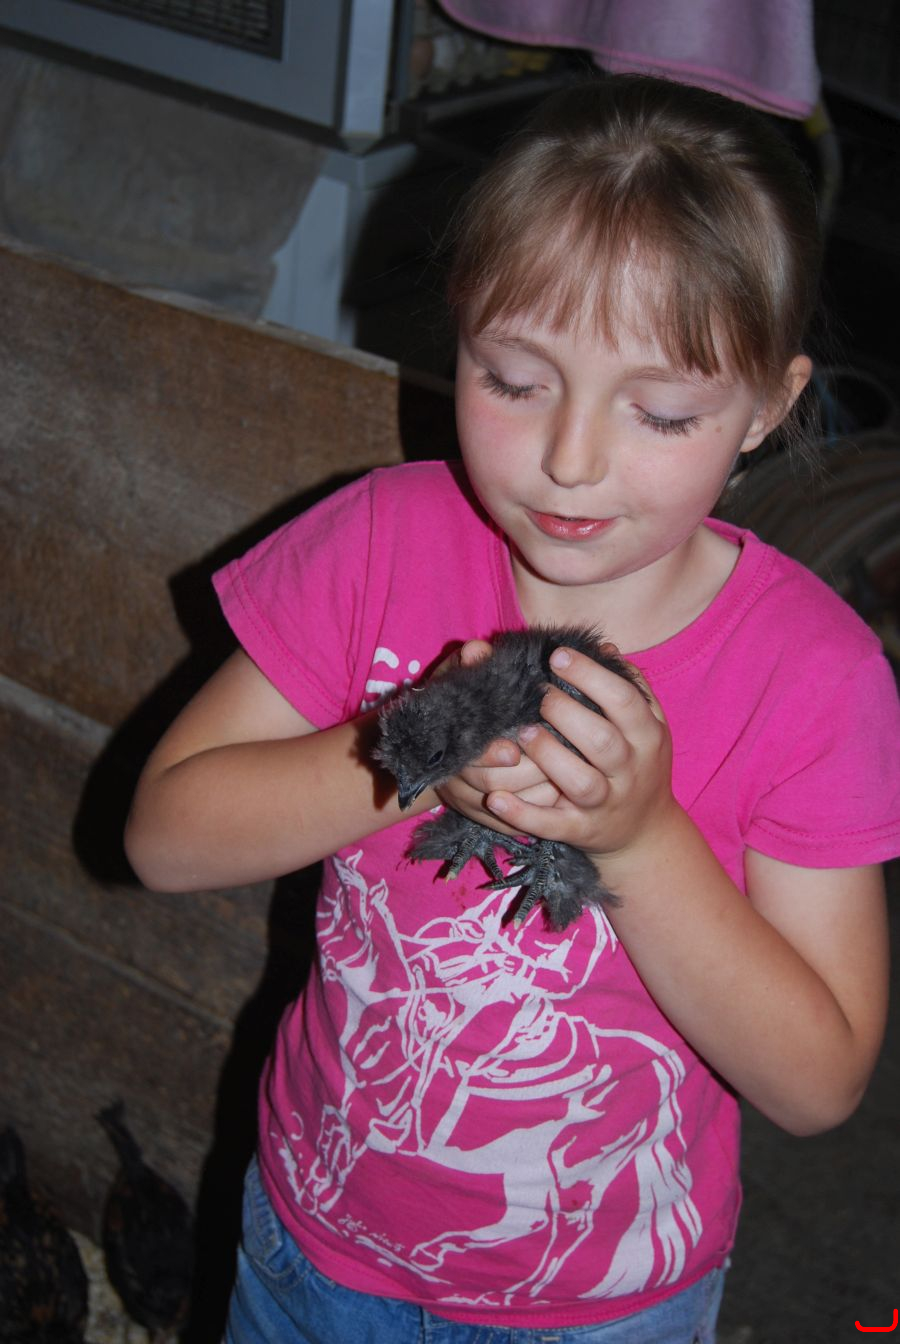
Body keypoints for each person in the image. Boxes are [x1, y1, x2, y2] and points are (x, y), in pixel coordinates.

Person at [124, 75, 900, 1344]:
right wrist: (415, 753)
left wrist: (640, 840)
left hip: (605, 1305)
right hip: (315, 1249)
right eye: (515, 378)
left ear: (768, 404)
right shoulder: (376, 542)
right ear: (461, 334)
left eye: (661, 411)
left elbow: (819, 1084)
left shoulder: (817, 676)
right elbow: (163, 839)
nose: (571, 460)